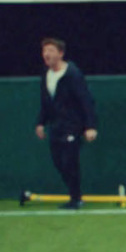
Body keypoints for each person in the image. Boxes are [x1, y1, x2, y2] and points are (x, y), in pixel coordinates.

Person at [34, 37, 98, 210]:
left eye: (51, 51)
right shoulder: (45, 74)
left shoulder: (73, 74)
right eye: (44, 51)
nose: (46, 54)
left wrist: (90, 126)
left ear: (61, 53)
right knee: (58, 161)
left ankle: (76, 198)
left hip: (73, 126)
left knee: (70, 161)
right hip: (56, 126)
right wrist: (40, 123)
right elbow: (46, 102)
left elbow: (86, 100)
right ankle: (74, 194)